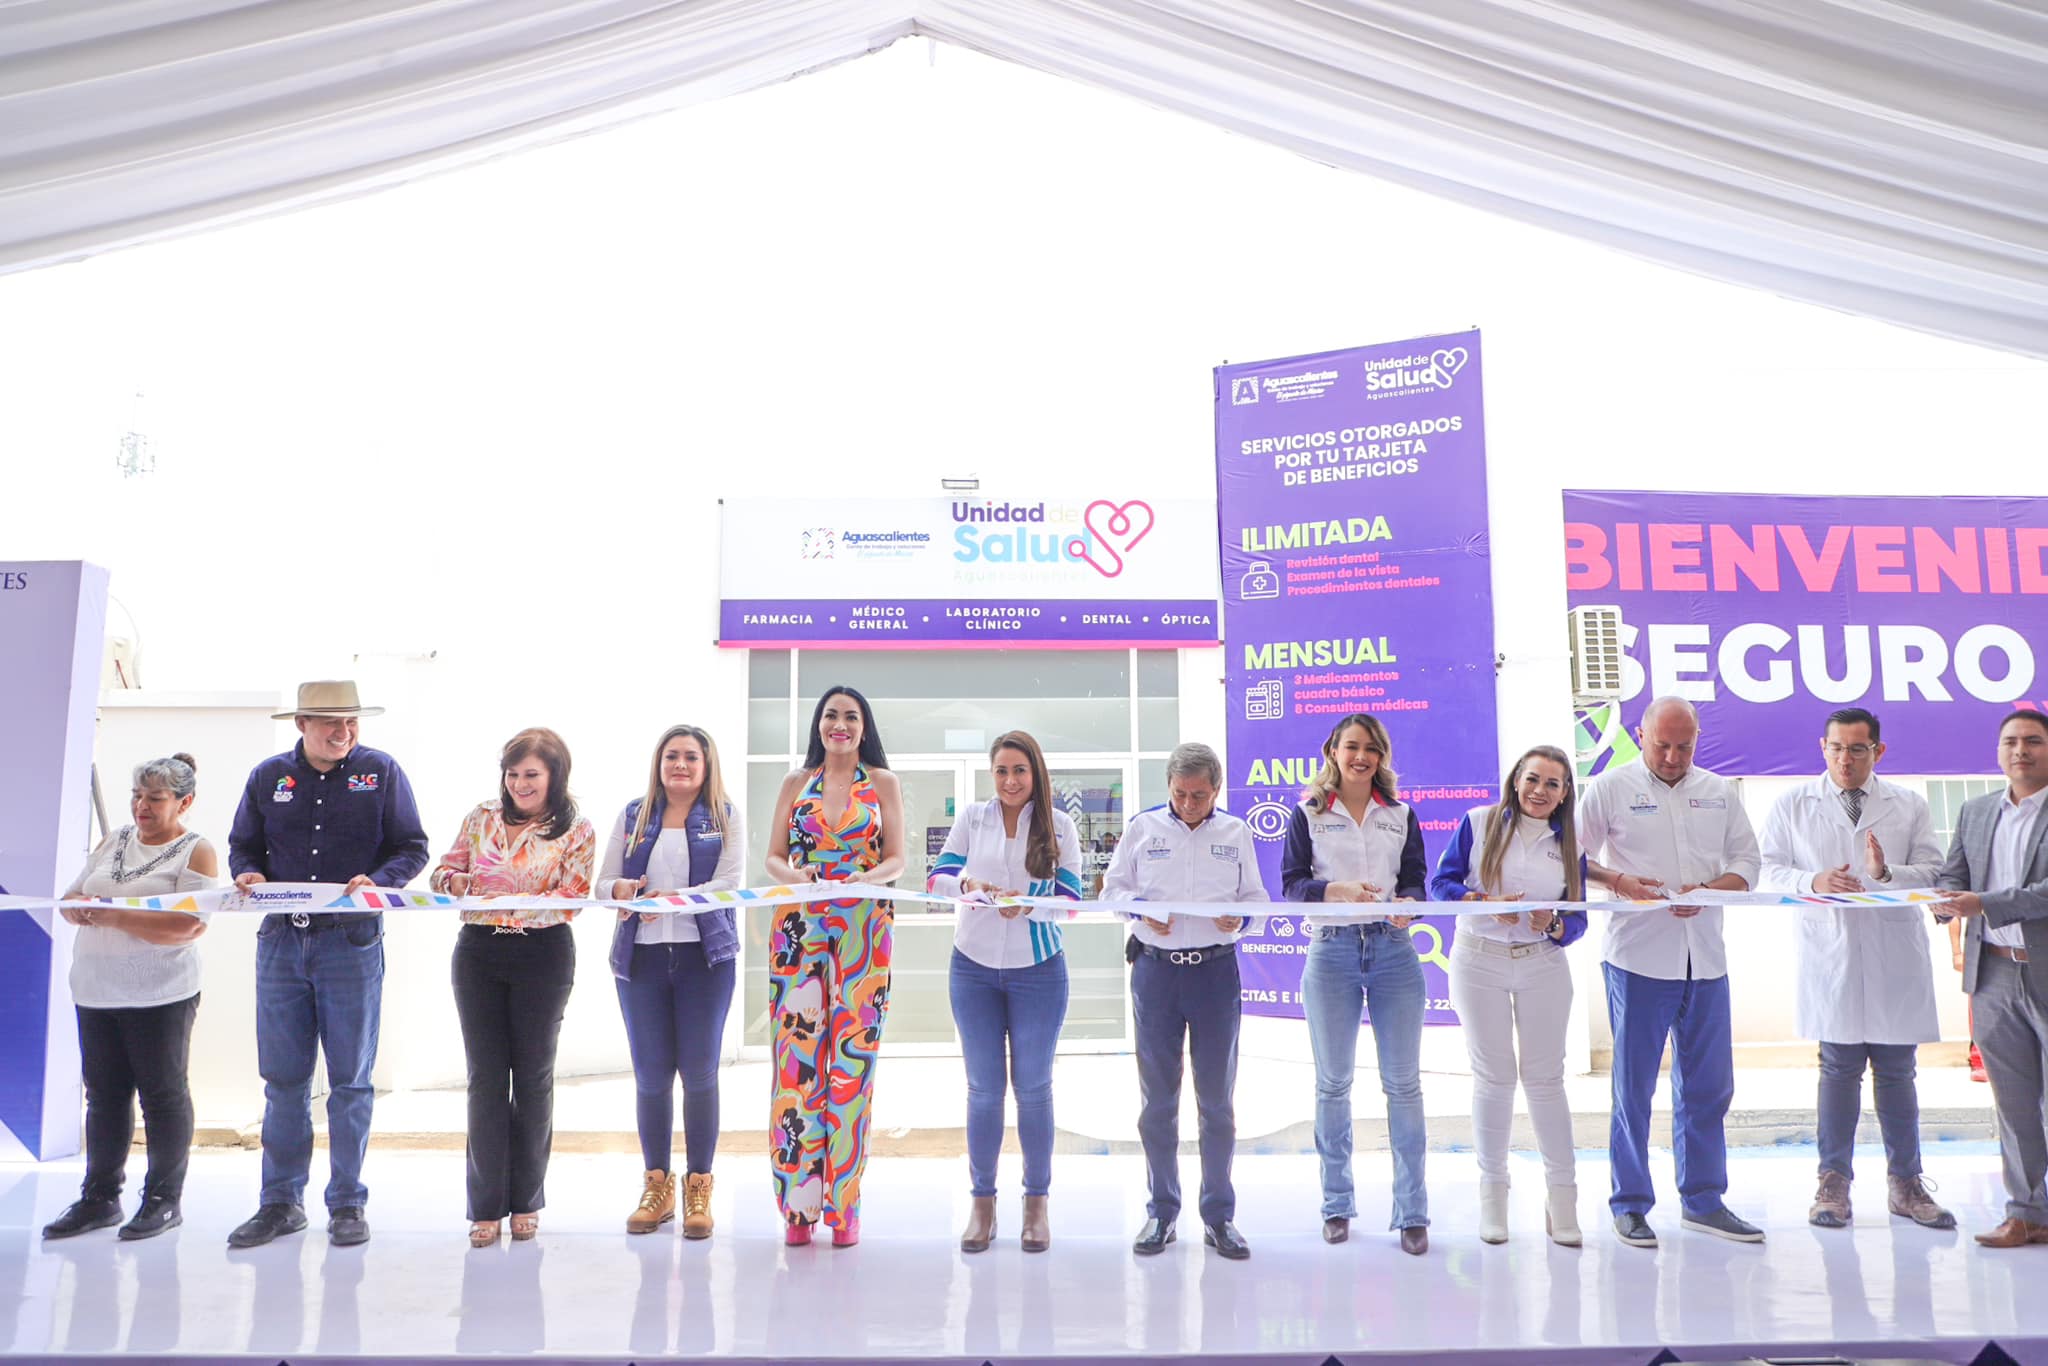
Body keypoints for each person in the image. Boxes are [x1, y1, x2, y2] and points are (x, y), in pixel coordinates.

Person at [226, 680, 429, 1249]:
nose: (344, 732)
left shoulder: (381, 772)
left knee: (350, 1081)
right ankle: (280, 1203)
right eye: (331, 722)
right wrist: (248, 874)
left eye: (351, 722)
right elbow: (243, 845)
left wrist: (380, 882)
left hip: (351, 942)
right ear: (302, 724)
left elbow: (412, 846)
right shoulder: (269, 777)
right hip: (281, 941)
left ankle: (346, 1203)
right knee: (283, 1079)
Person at [1758, 706, 1953, 1229]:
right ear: (1822, 749)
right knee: (1838, 1071)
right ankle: (1833, 1184)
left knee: (1897, 1072)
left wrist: (1885, 872)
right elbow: (1766, 869)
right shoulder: (1793, 804)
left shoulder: (1908, 804)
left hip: (1893, 956)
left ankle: (1906, 1184)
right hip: (1831, 954)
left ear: (1878, 751)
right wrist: (1812, 882)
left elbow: (1934, 870)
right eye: (1837, 748)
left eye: (1858, 749)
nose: (1846, 759)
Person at [1579, 695, 1763, 1248]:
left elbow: (1748, 864)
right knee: (1633, 1088)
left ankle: (1703, 1201)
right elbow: (1569, 856)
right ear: (1641, 736)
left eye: (1684, 746)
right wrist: (1619, 883)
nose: (1673, 756)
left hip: (1705, 959)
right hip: (1637, 959)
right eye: (1662, 745)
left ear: (1697, 740)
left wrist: (1707, 891)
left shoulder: (1718, 791)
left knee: (1709, 1087)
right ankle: (1630, 1204)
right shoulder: (1609, 788)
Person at [429, 727, 595, 1247]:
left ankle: (526, 1200)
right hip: (479, 952)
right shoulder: (481, 817)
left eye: (532, 774)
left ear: (554, 776)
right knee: (485, 1079)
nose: (520, 784)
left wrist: (506, 904)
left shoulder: (577, 828)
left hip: (542, 955)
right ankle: (484, 1207)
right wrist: (455, 883)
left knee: (533, 1079)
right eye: (513, 773)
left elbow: (573, 895)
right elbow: (443, 872)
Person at [40, 755, 216, 1242]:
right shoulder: (113, 840)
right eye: (137, 796)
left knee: (162, 1096)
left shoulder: (196, 851)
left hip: (160, 995)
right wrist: (79, 909)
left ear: (184, 803)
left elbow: (189, 926)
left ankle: (163, 1200)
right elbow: (73, 896)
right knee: (104, 1096)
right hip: (96, 989)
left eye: (155, 799)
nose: (142, 806)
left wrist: (114, 916)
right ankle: (99, 1198)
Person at [1103, 741, 1265, 1261]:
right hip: (1156, 974)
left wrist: (1241, 919)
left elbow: (1257, 899)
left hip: (1215, 975)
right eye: (1179, 795)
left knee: (1216, 1102)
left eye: (1199, 796)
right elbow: (1111, 892)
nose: (1189, 805)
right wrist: (1140, 910)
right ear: (1168, 789)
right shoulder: (1143, 828)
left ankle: (1219, 1216)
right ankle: (1161, 1211)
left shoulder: (1235, 833)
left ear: (1216, 790)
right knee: (1158, 1101)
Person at [927, 730, 1084, 1253]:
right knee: (983, 1090)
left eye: (1019, 770)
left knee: (1033, 1089)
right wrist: (967, 886)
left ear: (1035, 772)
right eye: (1001, 771)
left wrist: (1029, 906)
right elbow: (936, 879)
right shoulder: (974, 818)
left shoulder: (1060, 825)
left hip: (1039, 971)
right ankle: (983, 1203)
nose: (1010, 781)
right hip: (972, 970)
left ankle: (1036, 1203)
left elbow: (1071, 902)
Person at [762, 685, 907, 1246]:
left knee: (852, 1066)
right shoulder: (795, 782)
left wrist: (866, 879)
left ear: (864, 727)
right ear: (818, 725)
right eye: (830, 715)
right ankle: (798, 1208)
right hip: (799, 925)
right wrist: (796, 877)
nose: (839, 724)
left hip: (864, 928)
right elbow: (773, 856)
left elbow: (897, 857)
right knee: (796, 1064)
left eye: (850, 716)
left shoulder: (883, 783)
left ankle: (844, 1206)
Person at [1282, 713, 1430, 1255]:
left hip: (1393, 951)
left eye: (1371, 748)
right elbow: (1292, 885)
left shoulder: (1401, 814)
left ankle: (1412, 1212)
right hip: (1332, 951)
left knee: (1403, 1085)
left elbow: (1416, 882)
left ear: (1381, 756)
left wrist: (1410, 906)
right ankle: (1336, 1205)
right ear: (1333, 752)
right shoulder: (1308, 813)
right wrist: (1335, 891)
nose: (1361, 756)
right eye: (1351, 747)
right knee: (1333, 1085)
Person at [1429, 743, 1588, 1247]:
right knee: (1494, 1079)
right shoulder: (1478, 822)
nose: (1540, 790)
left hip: (1543, 964)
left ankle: (1562, 1199)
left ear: (1565, 792)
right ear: (1516, 780)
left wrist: (1554, 923)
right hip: (1479, 960)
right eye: (1532, 779)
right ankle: (1493, 1196)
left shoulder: (1571, 842)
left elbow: (1578, 920)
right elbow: (1441, 884)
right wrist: (1479, 901)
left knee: (1545, 1081)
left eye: (1552, 783)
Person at [595, 724, 744, 1239]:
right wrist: (625, 890)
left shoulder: (725, 816)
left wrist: (672, 901)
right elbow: (603, 883)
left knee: (700, 1072)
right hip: (642, 960)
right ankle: (656, 1188)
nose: (680, 765)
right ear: (659, 764)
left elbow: (729, 883)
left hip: (707, 960)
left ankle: (699, 1187)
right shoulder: (633, 816)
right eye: (671, 756)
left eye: (690, 757)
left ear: (707, 765)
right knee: (651, 1075)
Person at [1930, 708, 2048, 1248]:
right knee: (2013, 1103)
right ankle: (2026, 1214)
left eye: (2033, 741)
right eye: (2011, 741)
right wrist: (1938, 900)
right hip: (1993, 973)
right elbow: (1953, 875)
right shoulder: (1975, 811)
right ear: (1998, 752)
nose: (2020, 750)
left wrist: (1982, 903)